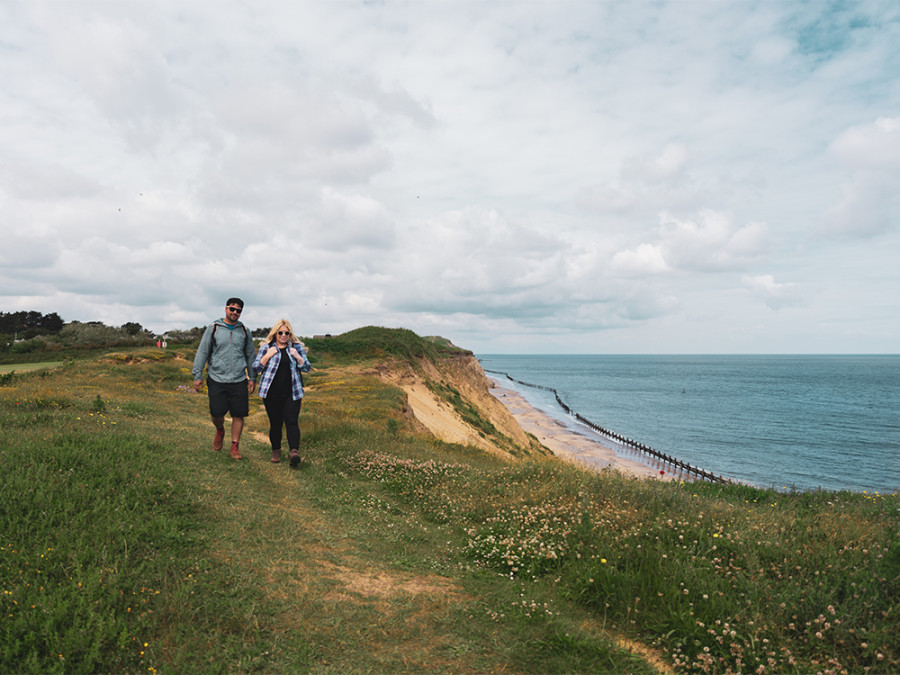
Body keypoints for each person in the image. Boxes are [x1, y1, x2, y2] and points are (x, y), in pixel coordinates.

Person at [192, 298, 256, 460]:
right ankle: (220, 430)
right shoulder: (213, 328)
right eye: (232, 309)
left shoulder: (244, 331)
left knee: (238, 414)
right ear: (226, 309)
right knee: (216, 413)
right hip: (216, 378)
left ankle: (234, 447)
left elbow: (250, 355)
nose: (235, 312)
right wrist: (197, 375)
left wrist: (252, 377)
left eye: (238, 310)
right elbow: (202, 352)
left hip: (239, 379)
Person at [252, 319, 311, 467]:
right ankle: (276, 450)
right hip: (271, 394)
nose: (283, 335)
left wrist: (297, 356)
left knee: (291, 421)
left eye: (287, 333)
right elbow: (256, 368)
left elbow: (306, 368)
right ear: (275, 333)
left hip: (292, 393)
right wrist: (267, 356)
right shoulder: (266, 347)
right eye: (280, 332)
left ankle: (294, 452)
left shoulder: (296, 348)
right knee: (276, 423)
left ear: (290, 334)